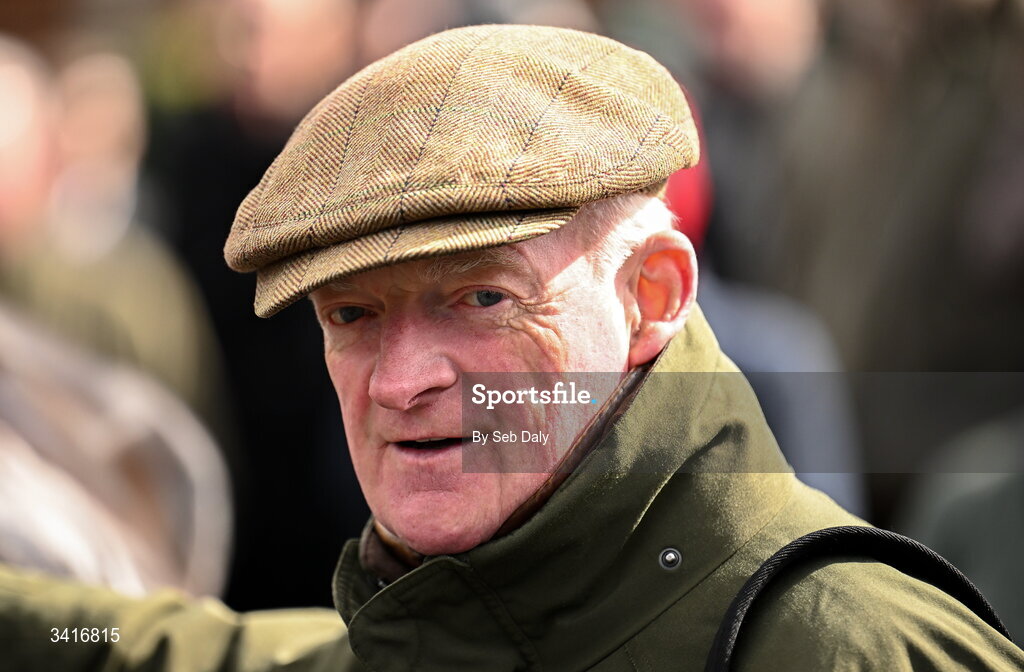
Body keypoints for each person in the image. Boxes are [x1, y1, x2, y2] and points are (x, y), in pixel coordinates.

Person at [3, 25, 1022, 671]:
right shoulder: (435, 631)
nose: (402, 382)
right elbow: (125, 643)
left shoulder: (852, 648)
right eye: (350, 316)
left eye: (483, 299)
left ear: (651, 295)